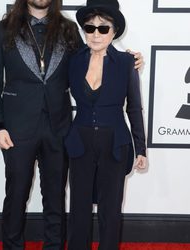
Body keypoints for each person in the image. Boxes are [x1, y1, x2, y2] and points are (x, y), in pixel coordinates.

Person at [0, 0, 144, 249]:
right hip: (16, 129)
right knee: (16, 196)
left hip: (60, 128)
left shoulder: (69, 30)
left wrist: (130, 59)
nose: (95, 30)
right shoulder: (1, 30)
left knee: (56, 199)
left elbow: (93, 55)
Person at [64, 0, 147, 249]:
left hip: (115, 144)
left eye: (103, 28)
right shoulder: (73, 60)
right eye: (90, 28)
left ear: (114, 32)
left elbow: (133, 107)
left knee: (110, 211)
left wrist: (140, 147)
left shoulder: (125, 63)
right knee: (78, 208)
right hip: (80, 142)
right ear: (84, 30)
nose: (96, 34)